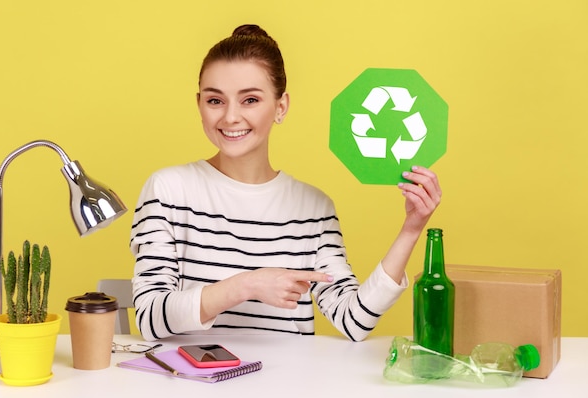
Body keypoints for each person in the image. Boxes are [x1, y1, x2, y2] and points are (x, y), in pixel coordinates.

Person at [130, 24, 442, 342]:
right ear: (199, 105)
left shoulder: (314, 208)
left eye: (250, 100)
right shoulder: (167, 190)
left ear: (281, 107)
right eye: (215, 101)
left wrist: (412, 228)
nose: (230, 117)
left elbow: (354, 320)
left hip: (285, 387)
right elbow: (149, 317)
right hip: (188, 383)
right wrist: (247, 285)